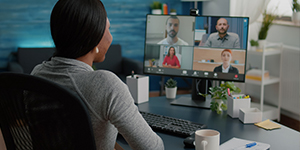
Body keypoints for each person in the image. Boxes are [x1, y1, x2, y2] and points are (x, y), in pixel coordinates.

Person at [30, 0, 164, 150]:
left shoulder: (37, 74)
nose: (111, 37)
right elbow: (153, 148)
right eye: (108, 29)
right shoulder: (106, 84)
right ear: (94, 37)